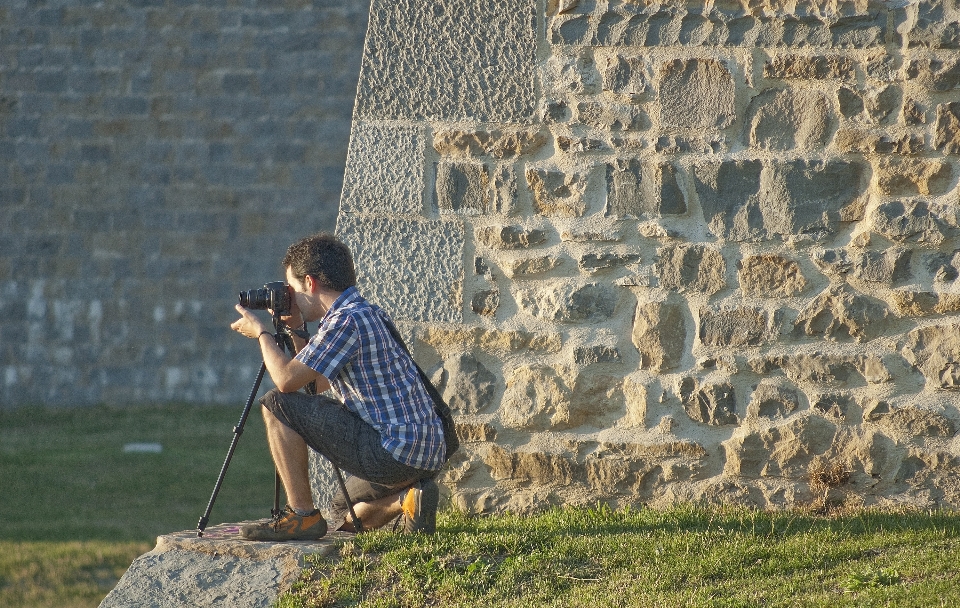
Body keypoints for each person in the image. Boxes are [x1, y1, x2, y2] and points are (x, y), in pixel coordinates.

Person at [229, 233, 446, 541]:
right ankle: (408, 500)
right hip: (425, 451)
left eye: (292, 288)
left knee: (276, 403)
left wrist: (262, 333)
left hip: (394, 451)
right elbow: (316, 384)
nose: (289, 295)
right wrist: (294, 329)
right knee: (341, 510)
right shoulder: (366, 312)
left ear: (310, 282)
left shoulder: (344, 322)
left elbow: (286, 381)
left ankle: (301, 516)